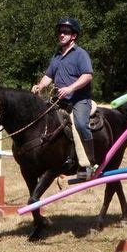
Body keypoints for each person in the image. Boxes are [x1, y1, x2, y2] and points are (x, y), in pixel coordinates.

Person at [31, 18, 95, 180]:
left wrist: (70, 88)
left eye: (65, 32)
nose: (61, 34)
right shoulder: (57, 55)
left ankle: (89, 163)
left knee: (80, 124)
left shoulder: (81, 54)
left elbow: (87, 76)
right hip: (59, 101)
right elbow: (48, 76)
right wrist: (40, 86)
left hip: (79, 100)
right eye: (60, 31)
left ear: (73, 36)